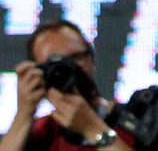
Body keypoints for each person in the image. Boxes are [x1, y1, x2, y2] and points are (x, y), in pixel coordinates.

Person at [0, 20, 135, 150]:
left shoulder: (140, 121)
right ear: (38, 73)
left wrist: (92, 128)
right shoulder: (41, 133)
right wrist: (24, 113)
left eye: (76, 58)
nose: (68, 69)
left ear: (92, 59)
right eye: (53, 65)